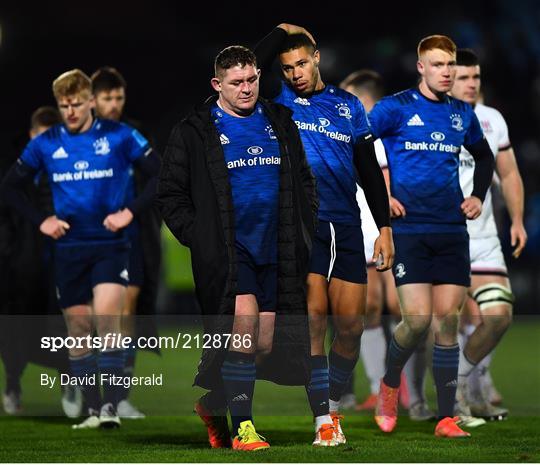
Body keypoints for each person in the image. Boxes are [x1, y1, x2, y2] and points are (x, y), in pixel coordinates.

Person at [157, 45, 318, 451]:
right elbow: (170, 196)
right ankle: (243, 429)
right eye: (236, 83)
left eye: (251, 80)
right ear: (217, 85)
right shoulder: (194, 130)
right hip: (230, 253)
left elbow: (303, 180)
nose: (246, 89)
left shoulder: (279, 121)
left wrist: (306, 224)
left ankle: (213, 403)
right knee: (242, 332)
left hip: (276, 249)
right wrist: (202, 237)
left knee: (262, 345)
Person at [255, 25, 394, 446]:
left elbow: (369, 173)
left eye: (301, 62)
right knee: (314, 321)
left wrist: (385, 229)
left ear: (317, 57)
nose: (295, 73)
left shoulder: (349, 106)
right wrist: (283, 30)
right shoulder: (278, 103)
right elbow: (253, 62)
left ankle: (333, 404)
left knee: (350, 327)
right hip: (303, 227)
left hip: (347, 226)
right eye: (287, 67)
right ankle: (322, 421)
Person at [1, 69, 160, 429]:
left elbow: (160, 174)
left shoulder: (119, 136)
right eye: (63, 105)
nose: (70, 111)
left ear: (91, 101)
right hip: (68, 249)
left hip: (110, 246)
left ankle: (110, 407)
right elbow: (10, 187)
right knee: (78, 328)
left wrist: (128, 212)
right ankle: (91, 409)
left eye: (76, 104)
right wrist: (41, 220)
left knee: (106, 320)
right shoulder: (46, 142)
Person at [368, 35, 495, 438]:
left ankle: (445, 418)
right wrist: (383, 194)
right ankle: (390, 385)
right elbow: (359, 147)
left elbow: (486, 156)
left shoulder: (461, 113)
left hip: (451, 231)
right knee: (416, 322)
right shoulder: (396, 108)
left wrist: (476, 195)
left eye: (450, 65)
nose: (447, 72)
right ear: (421, 67)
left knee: (447, 323)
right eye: (438, 65)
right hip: (410, 230)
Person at [449, 48, 527, 422]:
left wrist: (517, 220)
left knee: (497, 316)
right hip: (443, 236)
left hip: (484, 239)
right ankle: (437, 398)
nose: (471, 84)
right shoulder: (430, 116)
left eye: (475, 77)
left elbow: (509, 174)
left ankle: (463, 386)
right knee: (437, 323)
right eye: (463, 77)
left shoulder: (492, 120)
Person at [339, 70, 416, 415]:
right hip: (360, 231)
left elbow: (388, 180)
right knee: (368, 308)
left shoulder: (383, 135)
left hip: (387, 230)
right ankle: (376, 387)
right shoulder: (349, 133)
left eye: (347, 96)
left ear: (363, 99)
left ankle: (406, 389)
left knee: (402, 310)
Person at [1, 106, 82, 418]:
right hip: (19, 268)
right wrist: (9, 253)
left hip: (58, 265)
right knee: (16, 331)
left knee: (62, 326)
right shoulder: (14, 172)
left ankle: (69, 383)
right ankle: (12, 384)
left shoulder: (68, 168)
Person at [91, 66, 162, 420]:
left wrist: (130, 212)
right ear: (93, 100)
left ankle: (118, 398)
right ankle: (88, 389)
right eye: (108, 98)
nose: (114, 104)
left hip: (127, 236)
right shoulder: (73, 137)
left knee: (126, 312)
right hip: (84, 240)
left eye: (119, 97)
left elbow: (158, 176)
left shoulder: (132, 134)